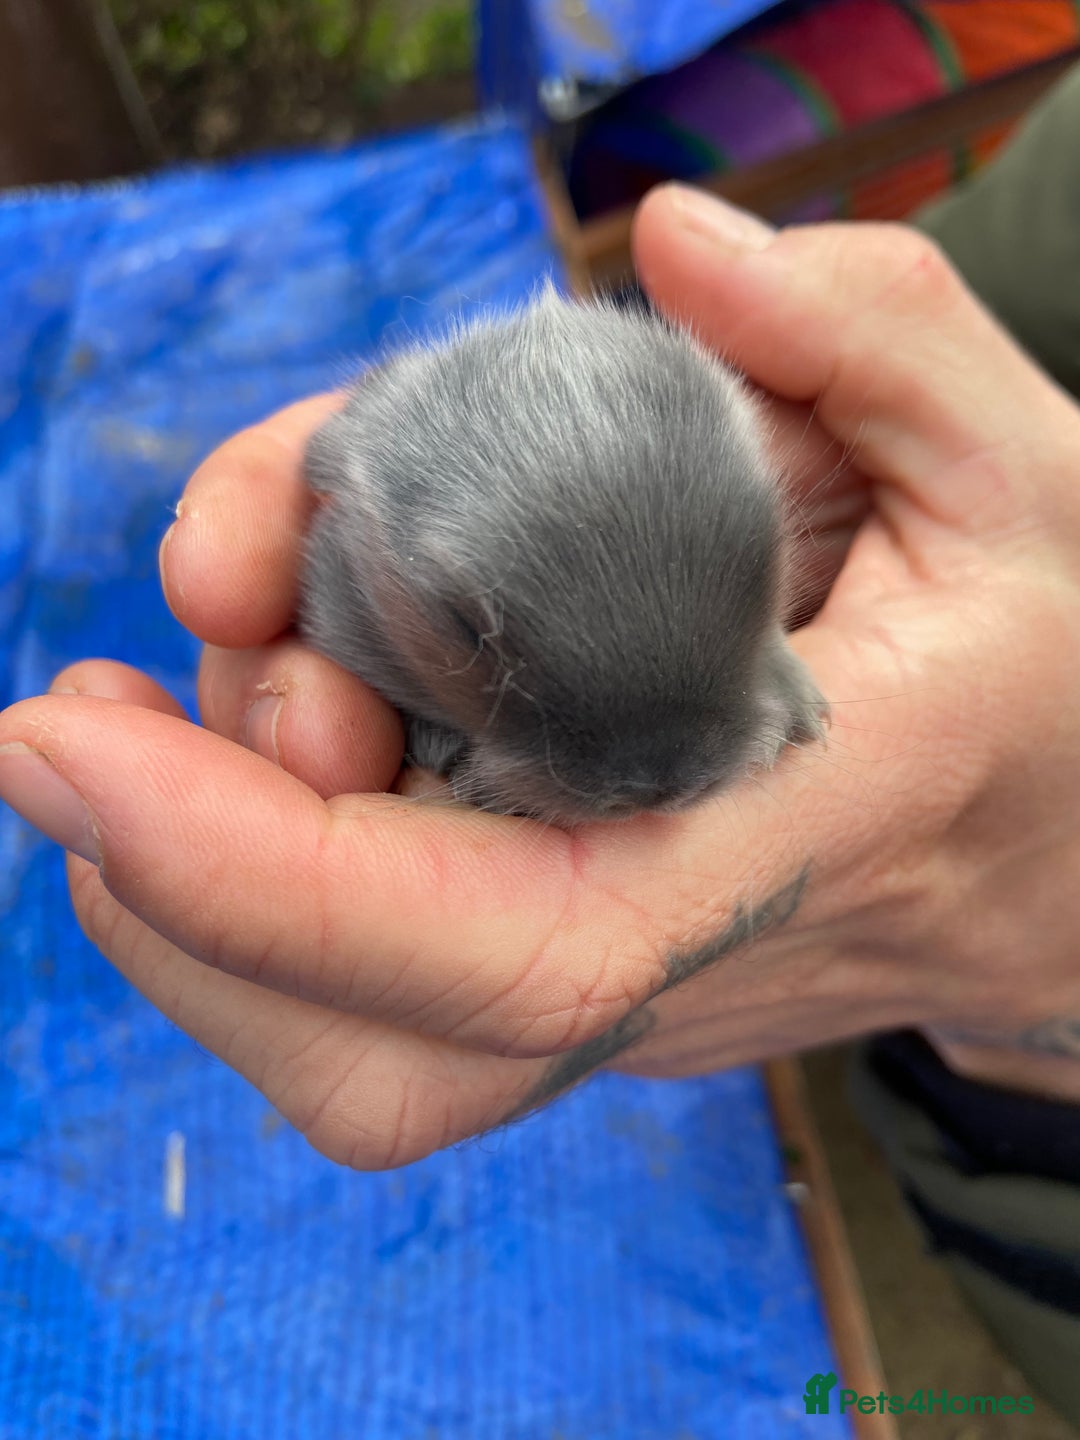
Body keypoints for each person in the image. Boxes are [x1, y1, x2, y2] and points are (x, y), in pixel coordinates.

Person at [3, 69, 1080, 1421]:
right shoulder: (375, 509)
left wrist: (1039, 981)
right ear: (365, 519)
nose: (660, 789)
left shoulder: (711, 478)